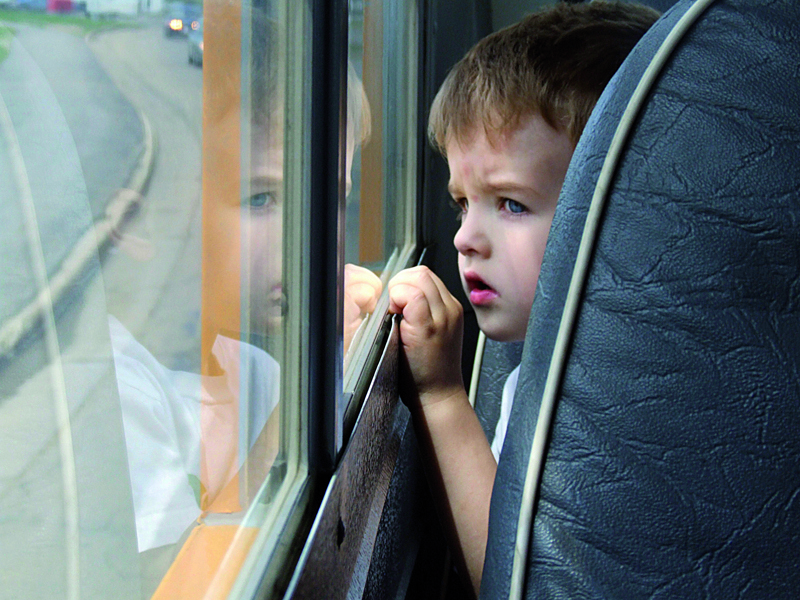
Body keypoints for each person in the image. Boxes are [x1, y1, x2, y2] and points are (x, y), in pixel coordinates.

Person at [387, 2, 661, 596]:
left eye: (510, 204)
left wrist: (439, 395)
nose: (465, 238)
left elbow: (511, 574)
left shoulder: (584, 397)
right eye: (463, 203)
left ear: (623, 209)